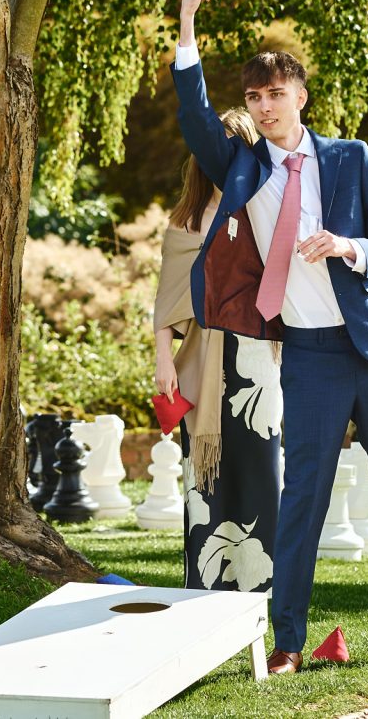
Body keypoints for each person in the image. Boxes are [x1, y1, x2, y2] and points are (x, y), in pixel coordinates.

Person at [171, 0, 368, 675]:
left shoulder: (351, 158)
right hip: (309, 356)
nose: (264, 107)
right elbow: (194, 113)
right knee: (303, 498)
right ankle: (289, 640)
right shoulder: (241, 167)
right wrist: (187, 23)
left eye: (275, 94)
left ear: (301, 96)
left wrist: (349, 247)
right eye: (254, 97)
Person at [153, 107, 283, 594]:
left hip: (257, 366)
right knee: (205, 480)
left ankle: (261, 594)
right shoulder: (185, 223)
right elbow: (167, 299)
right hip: (201, 365)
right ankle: (206, 592)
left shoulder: (262, 216)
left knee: (259, 474)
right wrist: (162, 360)